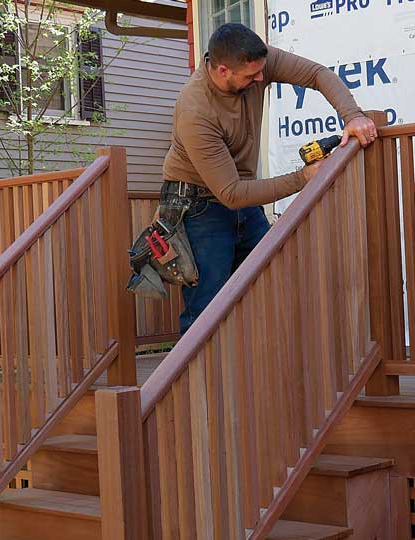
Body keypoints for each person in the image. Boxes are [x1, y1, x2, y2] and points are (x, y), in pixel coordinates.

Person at [161, 23, 377, 333]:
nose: (261, 79)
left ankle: (248, 379)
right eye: (251, 77)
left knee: (269, 281)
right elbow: (231, 193)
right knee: (207, 305)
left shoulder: (254, 62)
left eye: (262, 71)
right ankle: (193, 383)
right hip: (197, 206)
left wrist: (353, 115)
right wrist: (303, 178)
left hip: (239, 195)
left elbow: (318, 74)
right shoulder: (195, 110)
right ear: (222, 70)